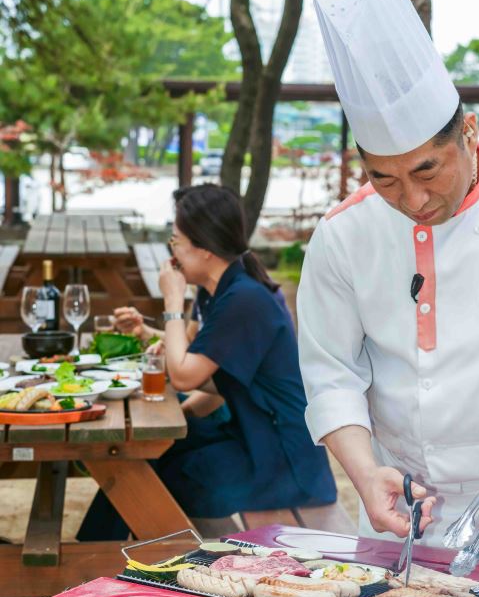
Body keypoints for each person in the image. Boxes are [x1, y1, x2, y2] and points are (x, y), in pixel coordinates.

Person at [297, 0, 479, 557]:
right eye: (383, 178)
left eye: (426, 170)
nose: (411, 198)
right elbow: (331, 372)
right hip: (402, 504)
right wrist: (364, 473)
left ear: (469, 134)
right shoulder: (342, 235)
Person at [78, 184, 336, 540]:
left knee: (162, 474)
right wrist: (149, 331)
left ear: (204, 248)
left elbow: (184, 375)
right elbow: (199, 362)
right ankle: (93, 550)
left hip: (281, 463)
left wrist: (171, 300)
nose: (172, 254)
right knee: (152, 457)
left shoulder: (244, 299)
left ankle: (95, 558)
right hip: (252, 438)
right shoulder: (227, 290)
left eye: (176, 243)